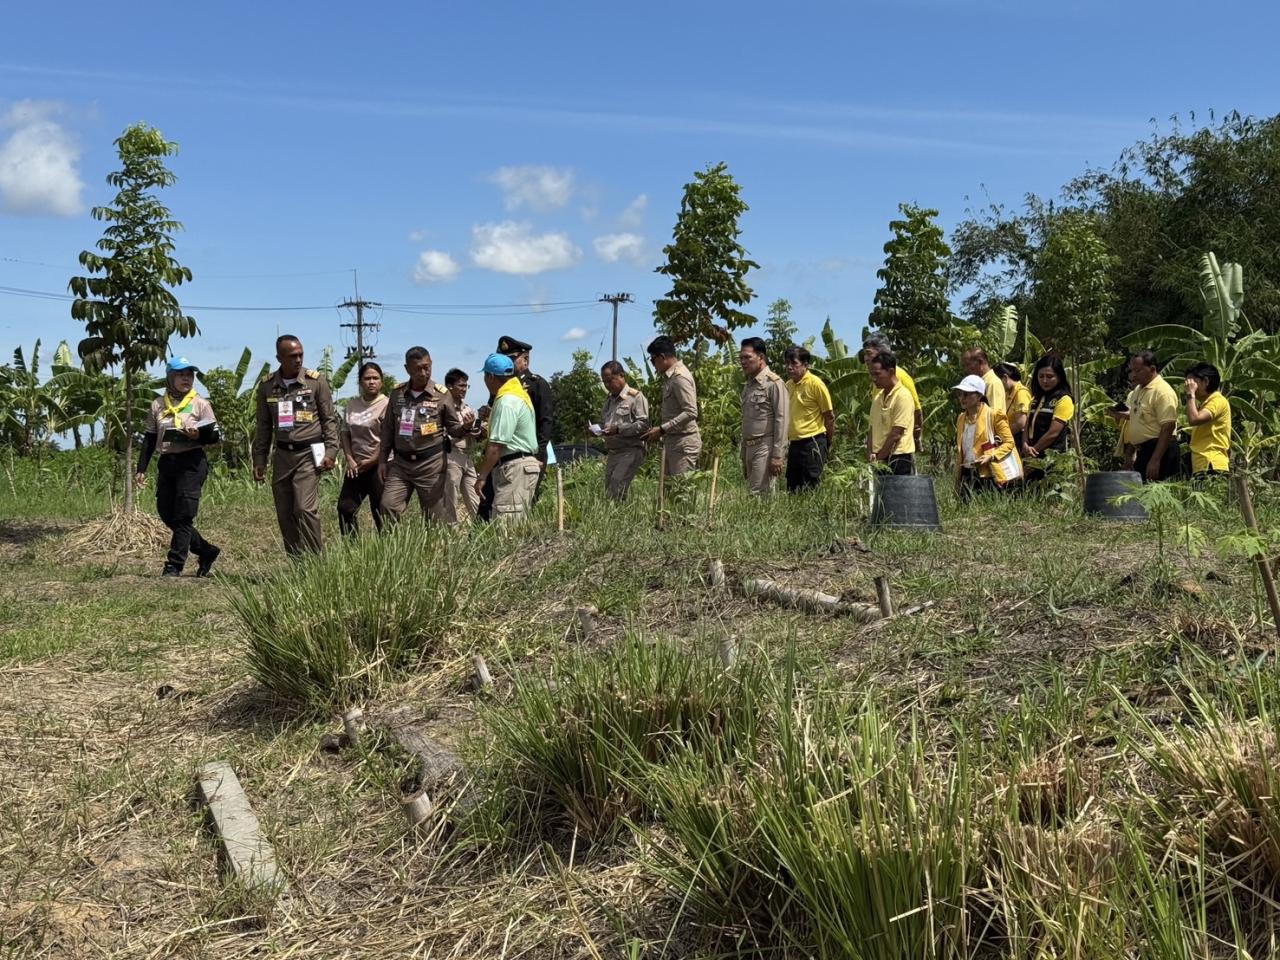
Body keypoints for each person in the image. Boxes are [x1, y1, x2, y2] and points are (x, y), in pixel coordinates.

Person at [253, 335, 338, 555]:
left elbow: (329, 419)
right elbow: (263, 427)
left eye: (300, 354)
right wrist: (259, 460)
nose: (298, 359)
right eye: (292, 356)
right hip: (282, 456)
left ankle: (316, 562)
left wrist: (331, 451)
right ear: (279, 357)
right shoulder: (267, 386)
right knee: (284, 511)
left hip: (309, 454)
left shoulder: (315, 381)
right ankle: (298, 561)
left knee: (304, 507)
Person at [135, 357, 221, 577]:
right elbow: (149, 438)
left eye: (190, 375)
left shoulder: (200, 403)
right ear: (170, 377)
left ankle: (174, 565)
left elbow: (214, 436)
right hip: (168, 462)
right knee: (166, 512)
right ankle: (206, 550)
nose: (186, 379)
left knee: (184, 515)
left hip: (192, 462)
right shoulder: (158, 404)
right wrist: (141, 469)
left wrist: (199, 434)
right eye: (181, 375)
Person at [379, 346, 459, 523]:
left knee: (435, 519)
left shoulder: (442, 394)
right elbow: (388, 430)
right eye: (418, 369)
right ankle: (395, 548)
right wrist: (383, 461)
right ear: (407, 369)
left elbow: (454, 428)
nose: (423, 373)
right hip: (401, 464)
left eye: (427, 367)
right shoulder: (397, 393)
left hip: (431, 465)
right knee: (388, 506)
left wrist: (466, 428)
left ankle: (436, 549)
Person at [474, 353, 540, 523]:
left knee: (506, 524)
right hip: (519, 465)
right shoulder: (517, 393)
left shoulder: (507, 400)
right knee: (514, 522)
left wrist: (482, 477)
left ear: (490, 376)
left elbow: (496, 445)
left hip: (514, 466)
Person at [1112, 349, 1179, 482]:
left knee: (1158, 496)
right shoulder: (1138, 390)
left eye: (1138, 371)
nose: (1133, 376)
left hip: (1160, 450)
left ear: (1152, 369)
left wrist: (1155, 460)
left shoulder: (1163, 392)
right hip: (1143, 451)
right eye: (1131, 371)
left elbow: (1168, 427)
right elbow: (1138, 416)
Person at [337, 361, 388, 535]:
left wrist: (374, 459)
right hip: (356, 466)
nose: (371, 382)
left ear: (381, 381)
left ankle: (387, 550)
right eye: (367, 378)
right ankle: (352, 549)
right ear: (360, 382)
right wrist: (350, 459)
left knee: (380, 511)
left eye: (375, 378)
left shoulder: (387, 404)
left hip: (380, 466)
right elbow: (345, 433)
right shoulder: (352, 405)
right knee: (345, 508)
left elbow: (388, 438)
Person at [952, 374, 1022, 499]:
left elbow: (1009, 442)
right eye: (960, 394)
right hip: (966, 473)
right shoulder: (961, 418)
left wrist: (991, 456)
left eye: (966, 394)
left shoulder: (994, 415)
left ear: (979, 396)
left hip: (988, 475)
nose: (962, 398)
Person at [643, 336, 701, 475]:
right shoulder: (670, 377)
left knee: (680, 492)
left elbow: (691, 412)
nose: (653, 364)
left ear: (662, 357)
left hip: (684, 443)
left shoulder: (679, 377)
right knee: (668, 492)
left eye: (652, 360)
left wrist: (662, 429)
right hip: (673, 441)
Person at [738, 337, 789, 495]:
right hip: (749, 446)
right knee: (753, 495)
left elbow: (782, 420)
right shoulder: (749, 386)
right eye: (741, 358)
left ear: (761, 357)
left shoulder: (774, 383)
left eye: (747, 357)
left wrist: (777, 455)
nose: (743, 362)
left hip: (765, 447)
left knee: (759, 495)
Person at [783, 345, 835, 492]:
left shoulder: (815, 384)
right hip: (794, 444)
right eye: (787, 363)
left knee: (810, 486)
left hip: (813, 442)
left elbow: (829, 417)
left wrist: (827, 443)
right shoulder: (788, 385)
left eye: (794, 364)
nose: (789, 367)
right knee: (792, 486)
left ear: (805, 365)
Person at [598, 360, 649, 501]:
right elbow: (605, 424)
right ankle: (614, 520)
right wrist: (597, 430)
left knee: (617, 483)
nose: (607, 386)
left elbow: (644, 425)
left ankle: (621, 517)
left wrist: (619, 429)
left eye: (610, 381)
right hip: (613, 452)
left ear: (621, 375)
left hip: (630, 450)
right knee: (608, 490)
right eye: (604, 382)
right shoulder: (609, 401)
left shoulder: (635, 397)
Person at [1022, 355, 1075, 484]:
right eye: (1041, 376)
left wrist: (1033, 453)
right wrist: (1024, 445)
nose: (1045, 380)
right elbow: (1027, 424)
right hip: (1032, 455)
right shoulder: (1035, 399)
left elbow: (1053, 433)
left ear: (1059, 377)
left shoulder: (1064, 399)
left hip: (1052, 459)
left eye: (1050, 376)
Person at [863, 333, 922, 446]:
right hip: (881, 443)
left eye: (869, 353)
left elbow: (917, 412)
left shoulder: (900, 376)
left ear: (882, 353)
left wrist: (916, 439)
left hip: (898, 446)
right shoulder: (876, 377)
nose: (866, 358)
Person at [442, 368, 485, 522]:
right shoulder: (444, 409)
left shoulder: (468, 408)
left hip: (469, 455)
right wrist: (464, 429)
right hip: (452, 455)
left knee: (475, 496)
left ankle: (480, 529)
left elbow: (476, 434)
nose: (464, 389)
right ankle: (450, 534)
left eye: (466, 386)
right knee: (450, 498)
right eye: (461, 385)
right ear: (450, 386)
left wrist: (477, 432)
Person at [866, 350, 916, 474]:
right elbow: (872, 429)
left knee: (898, 493)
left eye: (877, 374)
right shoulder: (878, 398)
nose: (874, 379)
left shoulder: (903, 396)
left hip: (898, 457)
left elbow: (896, 434)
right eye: (872, 375)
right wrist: (870, 453)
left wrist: (879, 457)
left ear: (891, 372)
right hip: (878, 457)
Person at [1184, 362, 1231, 476]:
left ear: (1205, 381)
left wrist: (1190, 394)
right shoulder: (1205, 403)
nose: (1188, 386)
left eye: (1192, 382)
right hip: (1202, 464)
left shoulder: (1217, 400)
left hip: (1211, 463)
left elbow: (1194, 419)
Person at [996, 361, 1032, 453]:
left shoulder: (1021, 393)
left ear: (1005, 378)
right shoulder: (1008, 393)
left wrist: (1002, 435)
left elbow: (1021, 423)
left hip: (1018, 440)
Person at [961, 346, 1007, 413]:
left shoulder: (992, 383)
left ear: (980, 362)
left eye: (968, 365)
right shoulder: (982, 382)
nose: (966, 369)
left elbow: (995, 414)